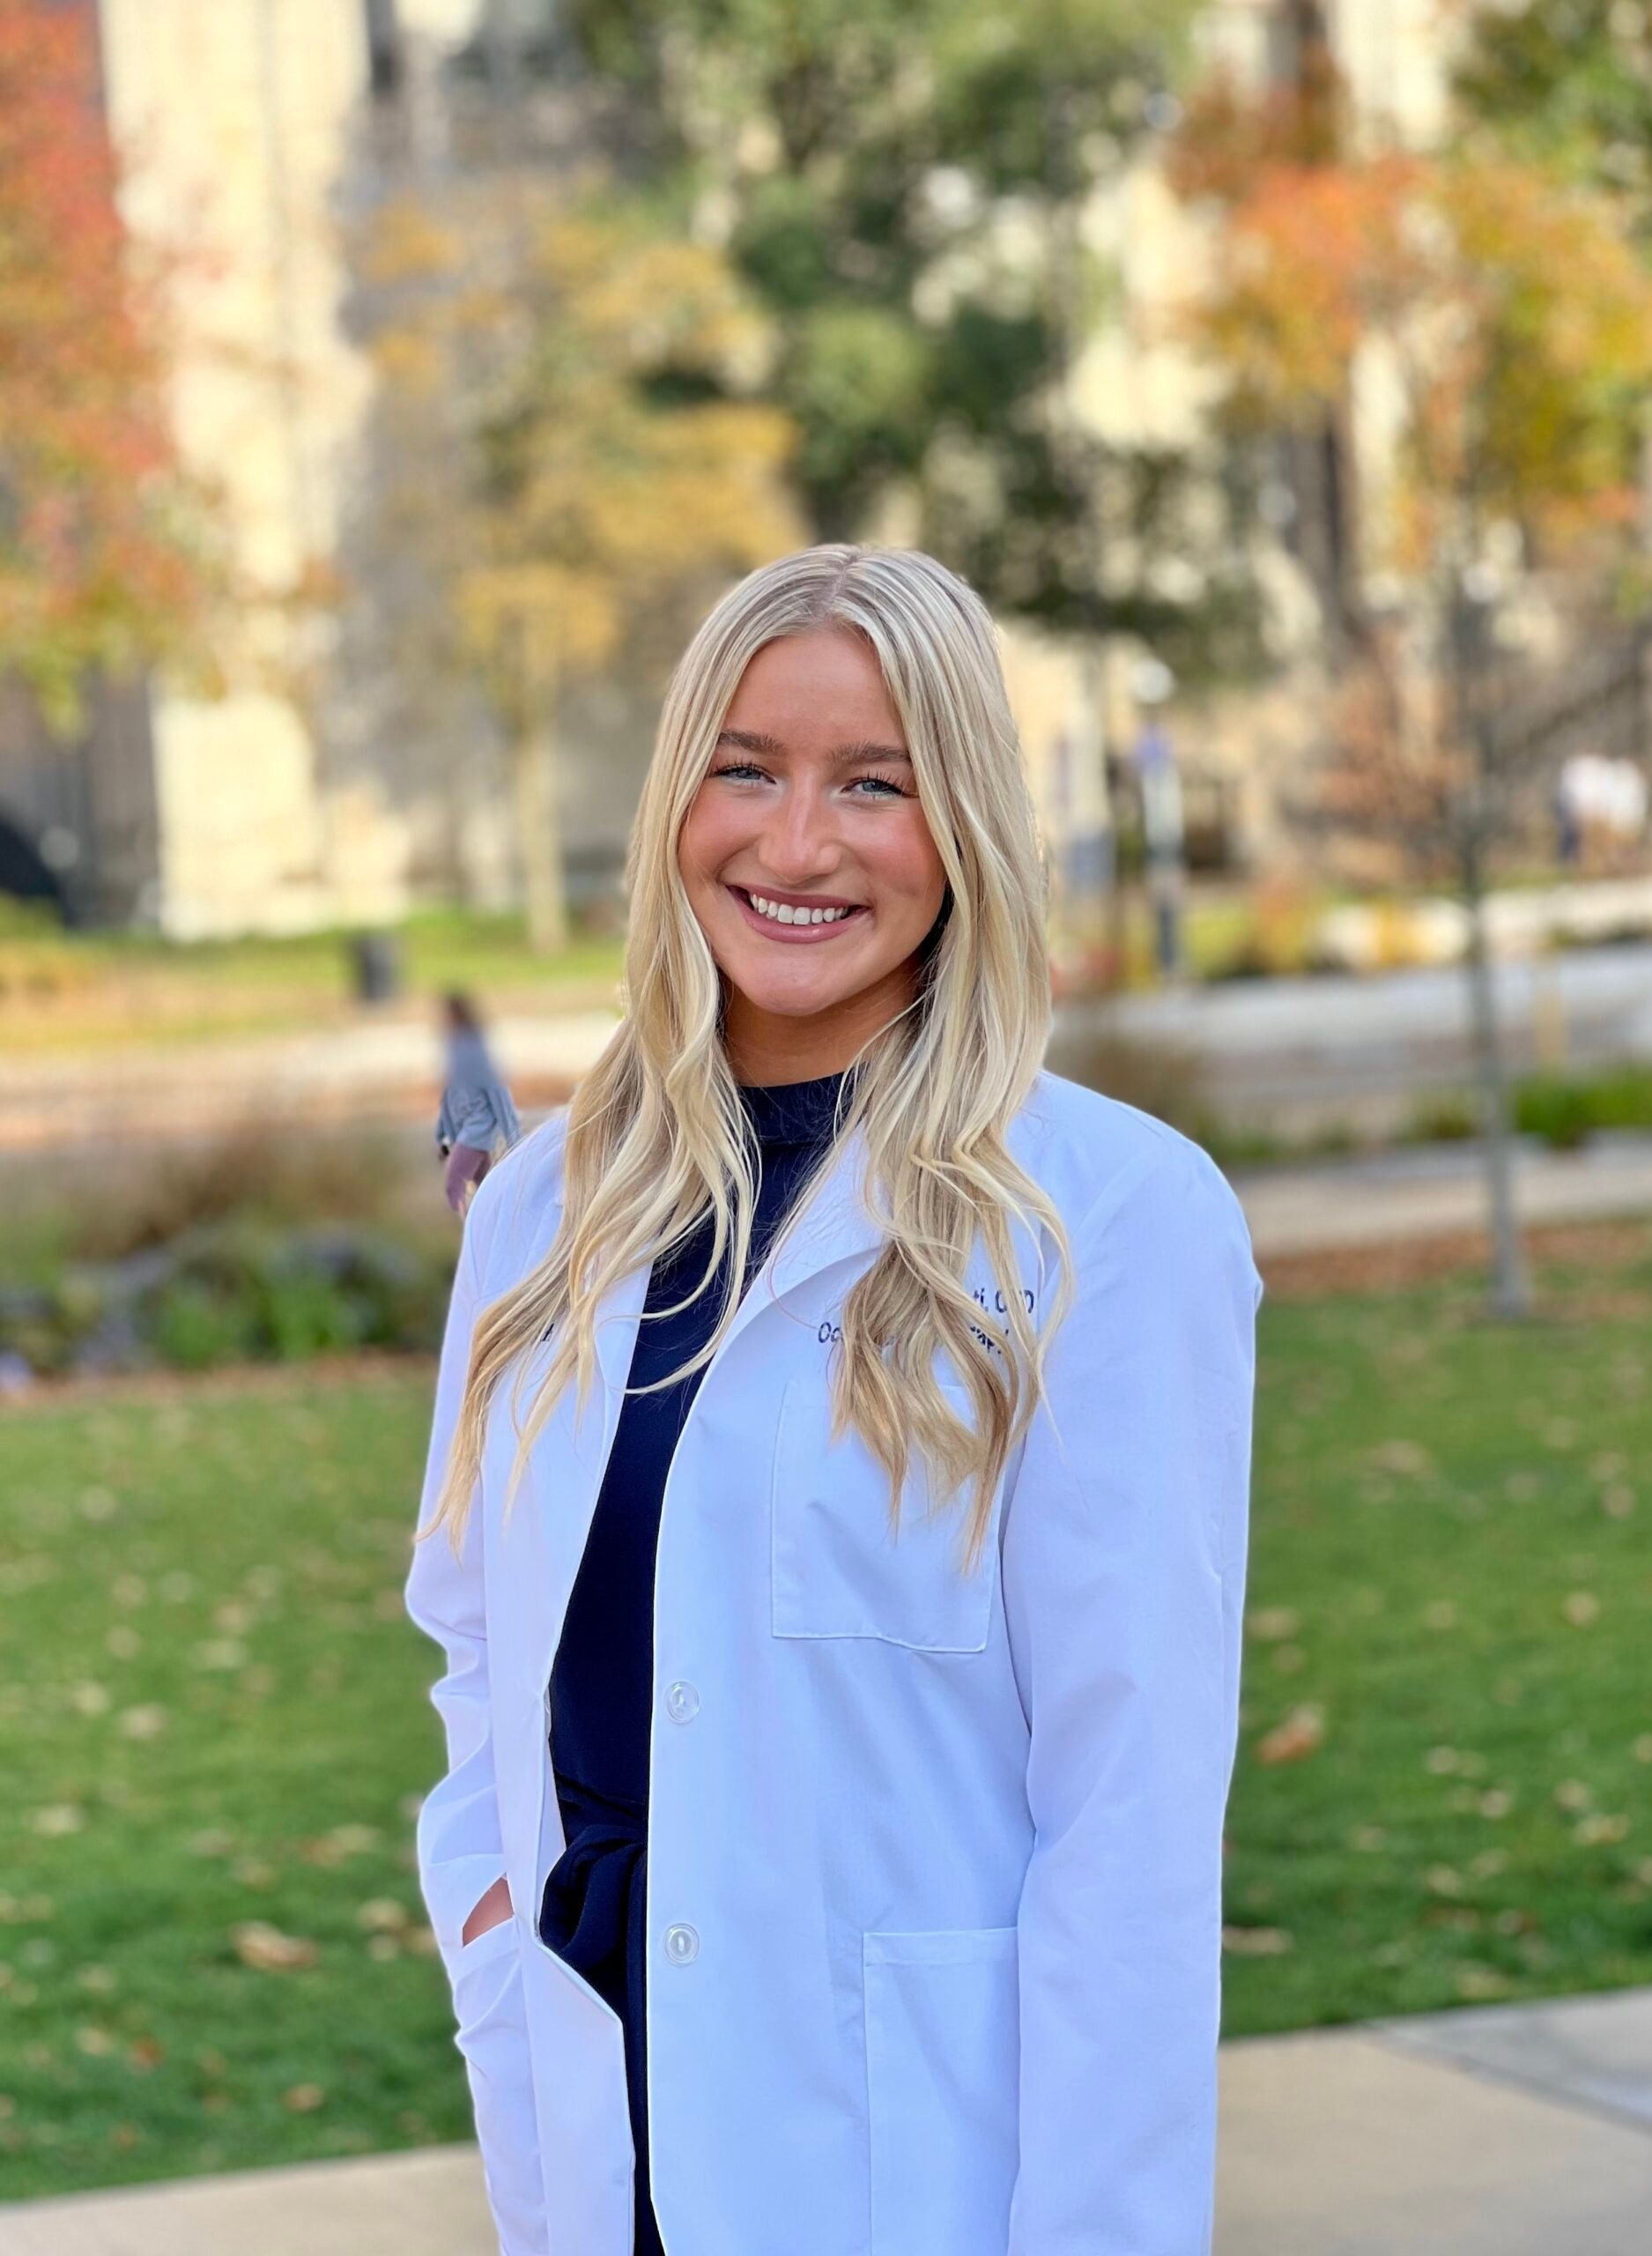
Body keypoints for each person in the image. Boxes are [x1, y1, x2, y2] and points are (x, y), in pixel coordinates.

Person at [405, 543, 1263, 2256]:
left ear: (961, 825)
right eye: (746, 768)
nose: (795, 845)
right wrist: (491, 1909)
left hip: (913, 2169)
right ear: (673, 800)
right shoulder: (540, 1207)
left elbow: (1131, 1814)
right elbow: (481, 1643)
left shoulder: (1111, 1217)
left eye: (872, 784)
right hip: (604, 2130)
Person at [435, 991, 523, 1217]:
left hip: (478, 1130)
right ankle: (501, 1223)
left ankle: (470, 1237)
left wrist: (513, 1135)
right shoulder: (454, 1047)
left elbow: (496, 1089)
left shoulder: (473, 1049)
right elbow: (449, 1097)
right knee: (486, 1186)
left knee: (454, 1183)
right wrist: (443, 1138)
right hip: (466, 1131)